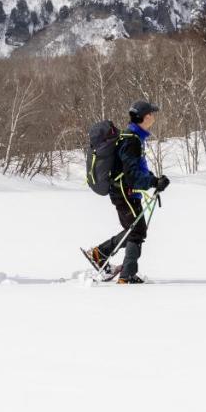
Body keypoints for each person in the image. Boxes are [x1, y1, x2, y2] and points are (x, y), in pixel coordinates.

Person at [82, 100, 170, 284]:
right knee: (137, 231)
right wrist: (153, 182)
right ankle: (125, 274)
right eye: (152, 114)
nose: (154, 117)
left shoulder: (133, 137)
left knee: (135, 230)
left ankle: (102, 256)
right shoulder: (131, 140)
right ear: (145, 117)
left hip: (124, 191)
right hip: (124, 192)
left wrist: (154, 180)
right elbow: (131, 175)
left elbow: (134, 169)